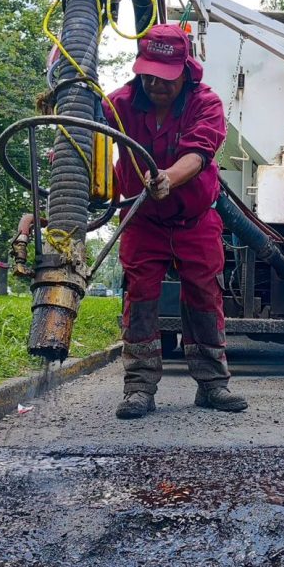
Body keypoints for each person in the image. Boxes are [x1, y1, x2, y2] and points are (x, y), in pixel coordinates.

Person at [102, 24, 246, 420]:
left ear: (185, 69)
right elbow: (85, 137)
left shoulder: (206, 104)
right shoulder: (118, 104)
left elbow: (200, 154)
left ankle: (213, 384)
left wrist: (168, 177)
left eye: (164, 78)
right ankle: (139, 388)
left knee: (204, 296)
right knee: (141, 300)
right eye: (147, 74)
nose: (154, 84)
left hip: (194, 220)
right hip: (142, 221)